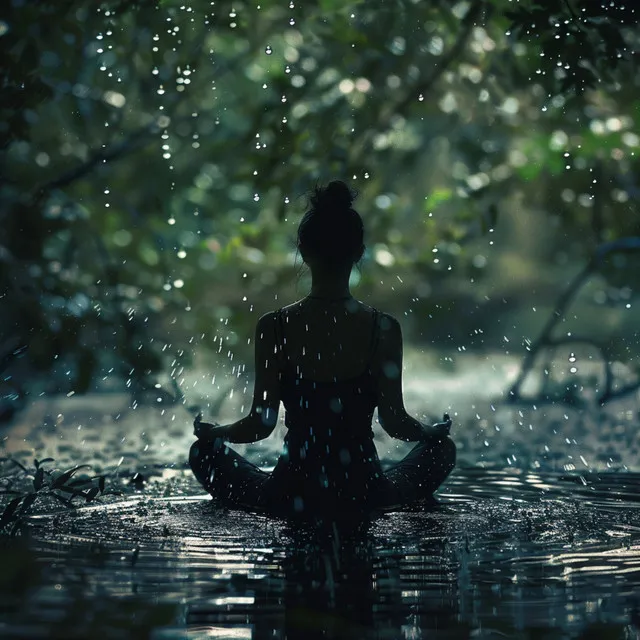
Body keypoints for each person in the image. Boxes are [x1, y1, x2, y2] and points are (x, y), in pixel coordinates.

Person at [189, 180, 456, 518]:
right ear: (359, 252)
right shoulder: (383, 328)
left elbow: (260, 424)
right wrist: (431, 433)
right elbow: (395, 423)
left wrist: (216, 433)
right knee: (441, 450)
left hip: (290, 492)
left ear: (303, 250)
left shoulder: (274, 327)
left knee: (203, 453)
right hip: (366, 491)